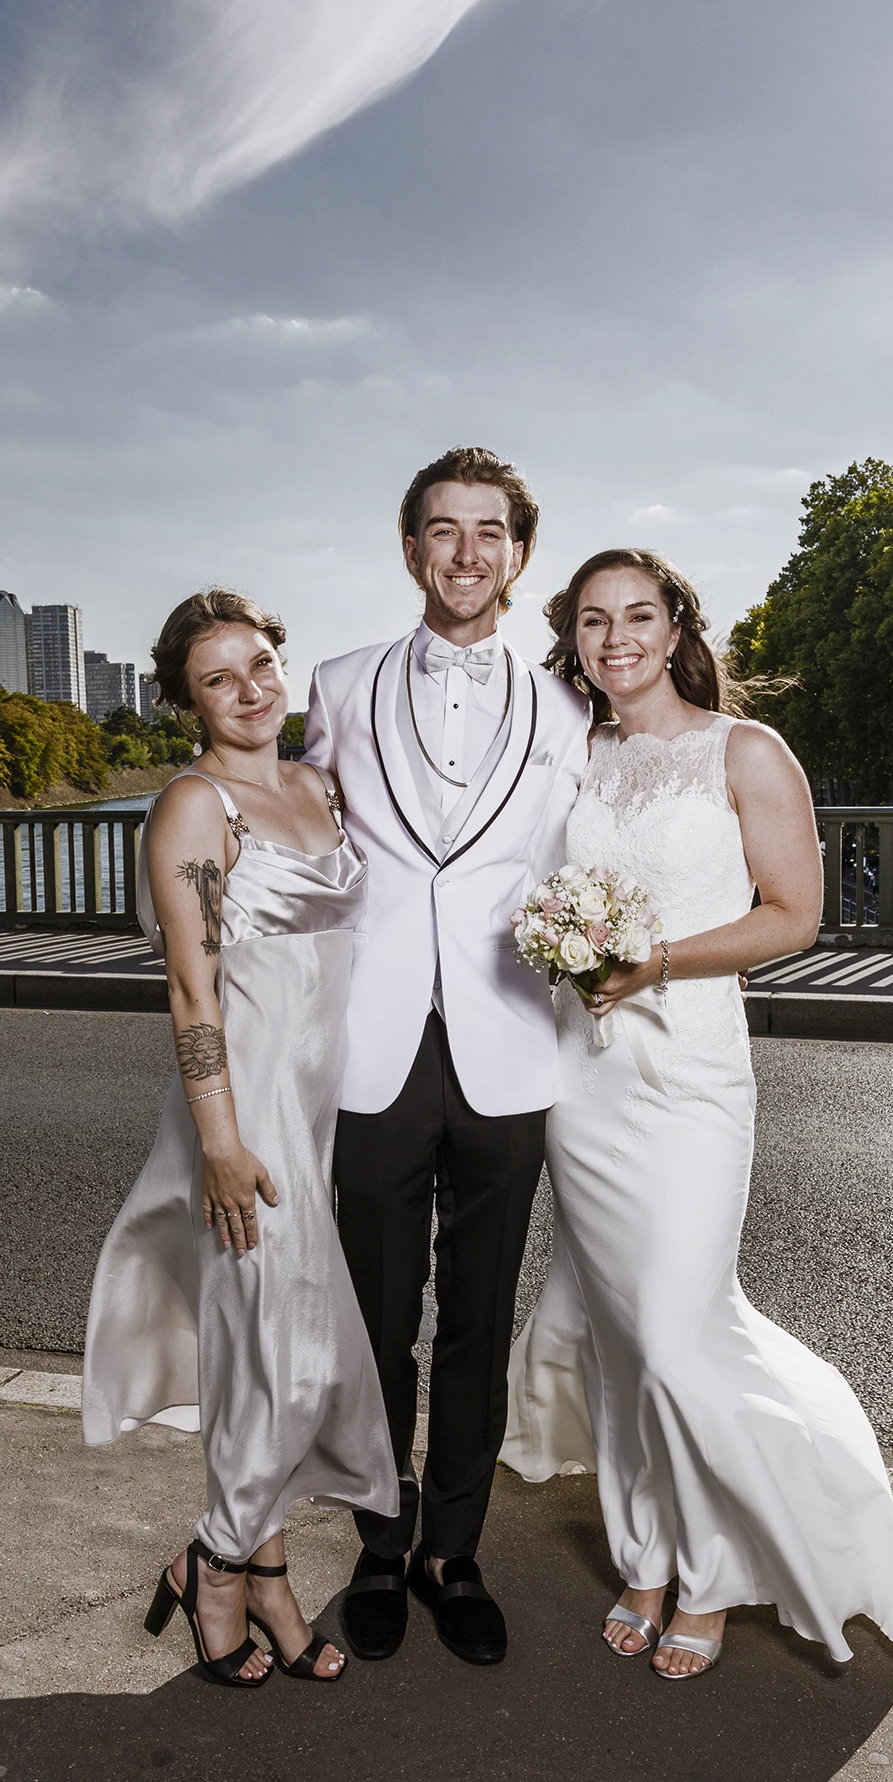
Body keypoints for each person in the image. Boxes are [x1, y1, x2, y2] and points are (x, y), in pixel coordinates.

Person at [500, 550, 893, 1679]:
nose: (616, 638)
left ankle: (716, 1567)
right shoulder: (568, 756)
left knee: (675, 1331)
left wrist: (655, 960)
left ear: (675, 630)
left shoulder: (745, 750)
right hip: (586, 1080)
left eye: (638, 617)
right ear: (572, 637)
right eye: (593, 620)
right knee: (624, 1345)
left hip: (693, 1078)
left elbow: (794, 914)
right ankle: (647, 1555)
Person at [303, 447, 591, 1665]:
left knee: (479, 1313)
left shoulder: (571, 709)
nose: (466, 552)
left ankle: (450, 1550)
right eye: (441, 530)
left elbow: (585, 859)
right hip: (370, 1046)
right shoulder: (335, 683)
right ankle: (377, 1541)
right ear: (409, 548)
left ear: (518, 554)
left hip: (511, 1041)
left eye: (489, 532)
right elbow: (291, 843)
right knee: (377, 1315)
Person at [82, 589, 397, 1688]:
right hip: (249, 1112)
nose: (251, 690)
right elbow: (189, 986)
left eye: (260, 665)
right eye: (220, 678)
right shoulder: (192, 806)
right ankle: (218, 1564)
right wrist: (219, 1139)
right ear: (187, 701)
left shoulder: (320, 785)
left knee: (274, 1351)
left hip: (327, 1105)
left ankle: (257, 1578)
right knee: (282, 1348)